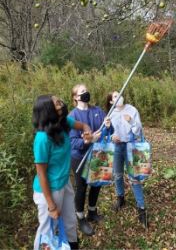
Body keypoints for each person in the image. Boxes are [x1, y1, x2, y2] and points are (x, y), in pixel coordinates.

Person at [32, 95, 93, 250]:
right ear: (48, 110)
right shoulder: (42, 138)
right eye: (58, 103)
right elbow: (41, 174)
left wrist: (86, 131)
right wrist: (51, 206)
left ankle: (72, 246)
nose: (62, 104)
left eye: (60, 101)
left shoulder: (64, 123)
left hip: (64, 182)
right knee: (47, 231)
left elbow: (83, 125)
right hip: (49, 191)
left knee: (70, 221)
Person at [68, 84, 113, 236]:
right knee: (81, 188)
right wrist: (87, 141)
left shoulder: (97, 111)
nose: (86, 93)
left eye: (87, 90)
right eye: (82, 92)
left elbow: (108, 132)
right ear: (75, 97)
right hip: (79, 157)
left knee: (96, 184)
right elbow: (72, 142)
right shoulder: (72, 117)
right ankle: (80, 219)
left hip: (97, 154)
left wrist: (108, 125)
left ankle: (92, 212)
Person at [105, 91, 147, 227]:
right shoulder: (110, 113)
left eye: (120, 94)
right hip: (117, 147)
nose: (119, 97)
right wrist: (111, 136)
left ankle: (141, 208)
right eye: (115, 96)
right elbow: (107, 132)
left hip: (131, 146)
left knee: (134, 178)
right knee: (117, 175)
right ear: (111, 101)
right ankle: (120, 198)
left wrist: (132, 121)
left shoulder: (132, 110)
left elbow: (138, 130)